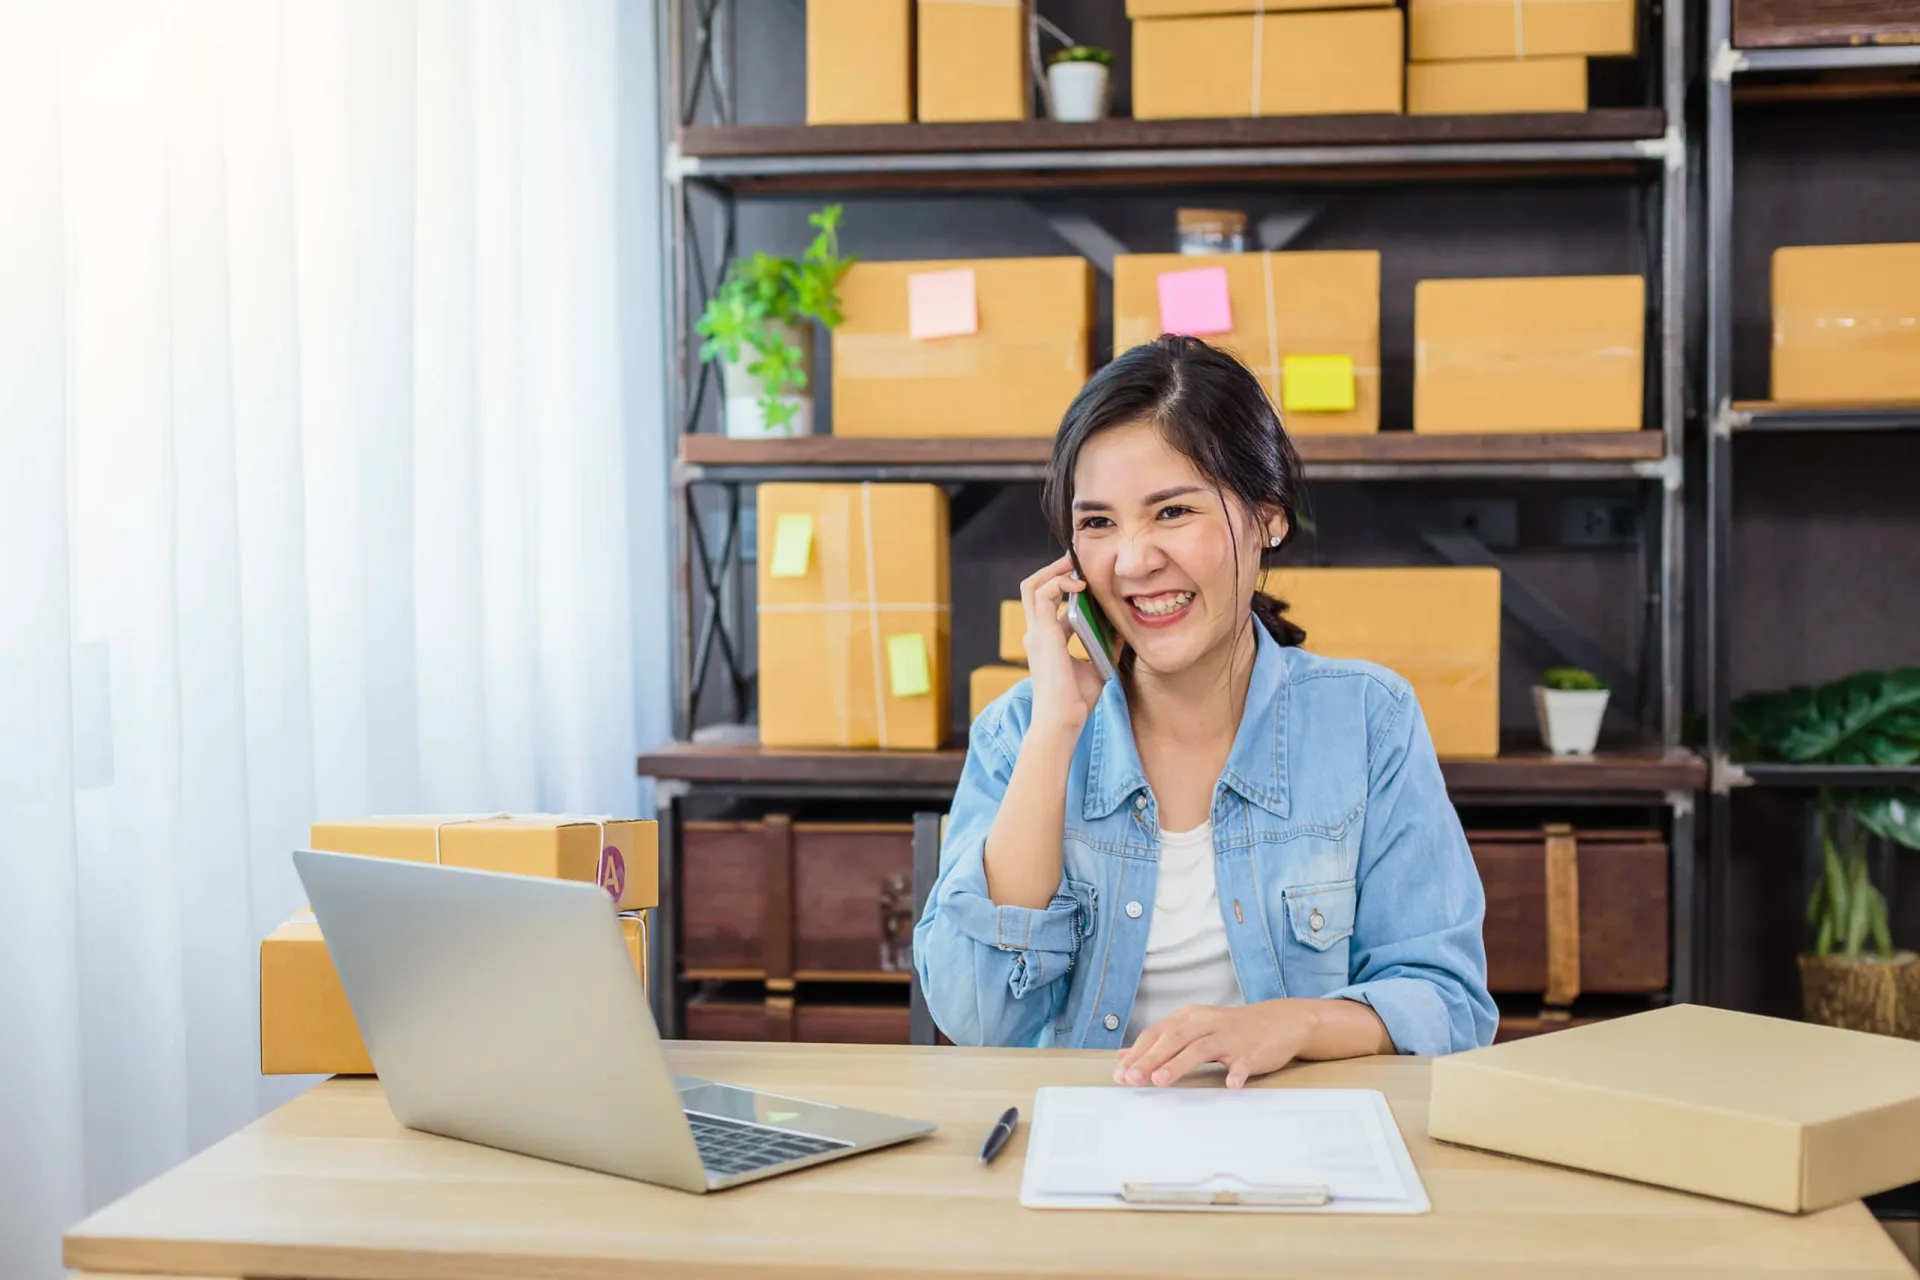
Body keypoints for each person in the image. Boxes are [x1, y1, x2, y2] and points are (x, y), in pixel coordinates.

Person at [913, 335, 1496, 1088]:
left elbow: (1448, 1004)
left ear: (1268, 517)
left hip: (1303, 1158)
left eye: (1172, 511)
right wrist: (1057, 725)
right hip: (1074, 1157)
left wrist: (1295, 1022)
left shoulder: (1367, 720)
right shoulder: (1021, 732)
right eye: (1098, 524)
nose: (1132, 560)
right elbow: (975, 1020)